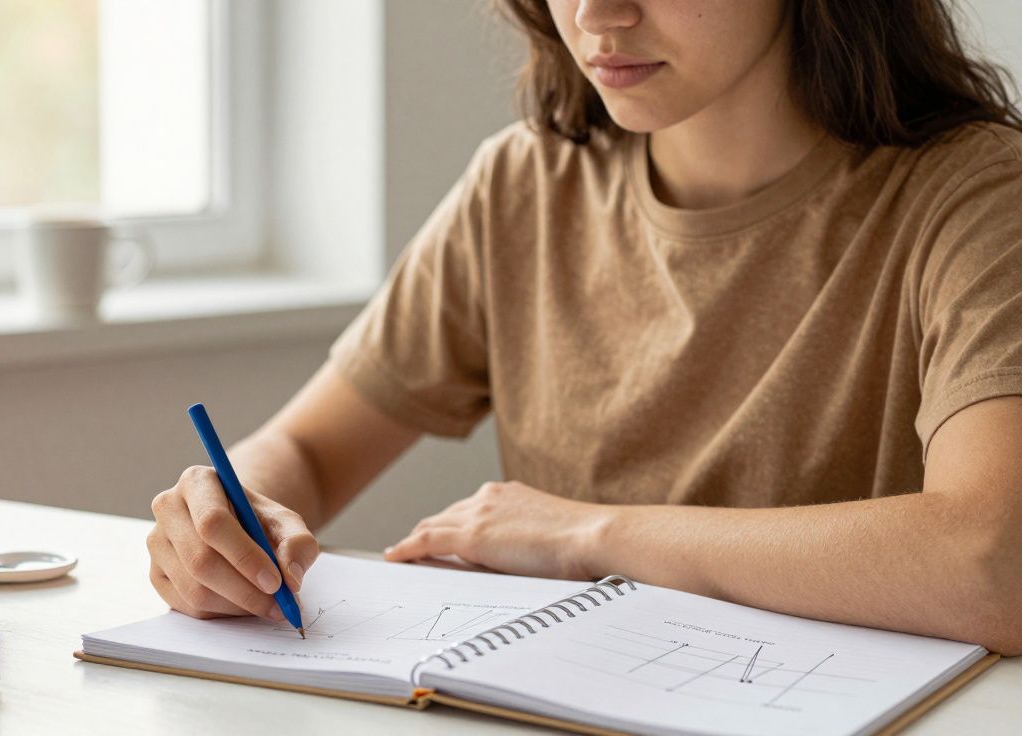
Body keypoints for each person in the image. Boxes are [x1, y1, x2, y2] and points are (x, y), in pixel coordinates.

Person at [147, 0, 1022, 655]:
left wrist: (588, 535)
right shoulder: (526, 184)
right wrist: (228, 514)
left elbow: (997, 561)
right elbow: (307, 453)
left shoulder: (977, 196)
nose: (598, 15)